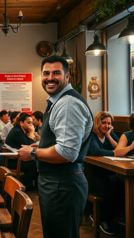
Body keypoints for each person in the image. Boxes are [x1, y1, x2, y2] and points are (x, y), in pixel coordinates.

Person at [18, 56, 93, 238]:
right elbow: (61, 143)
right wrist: (43, 145)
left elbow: (66, 153)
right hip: (58, 183)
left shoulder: (67, 104)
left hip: (62, 184)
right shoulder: (58, 101)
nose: (50, 78)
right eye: (46, 73)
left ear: (67, 77)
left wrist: (34, 152)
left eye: (56, 73)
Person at [86, 111, 127, 235]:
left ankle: (114, 218)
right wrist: (115, 153)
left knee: (122, 186)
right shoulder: (91, 136)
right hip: (92, 175)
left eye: (109, 123)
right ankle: (101, 219)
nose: (107, 126)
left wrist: (109, 136)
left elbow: (120, 148)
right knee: (110, 189)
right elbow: (96, 151)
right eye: (103, 123)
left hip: (108, 173)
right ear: (97, 123)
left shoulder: (110, 134)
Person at [4, 112, 37, 190]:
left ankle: (27, 186)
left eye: (32, 123)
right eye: (28, 123)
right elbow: (29, 147)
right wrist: (31, 134)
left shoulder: (19, 130)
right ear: (21, 123)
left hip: (16, 159)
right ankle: (18, 186)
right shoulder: (17, 132)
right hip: (13, 161)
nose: (31, 125)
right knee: (38, 165)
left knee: (35, 165)